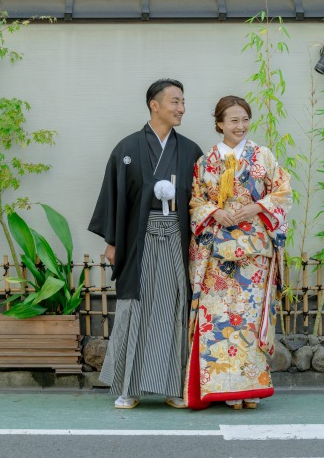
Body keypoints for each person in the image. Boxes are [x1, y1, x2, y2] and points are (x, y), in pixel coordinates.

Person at [89, 79, 203, 409]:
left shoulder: (191, 151)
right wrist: (112, 242)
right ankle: (130, 387)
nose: (181, 108)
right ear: (155, 105)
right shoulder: (126, 150)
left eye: (183, 102)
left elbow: (201, 202)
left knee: (174, 308)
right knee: (134, 309)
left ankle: (173, 387)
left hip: (176, 239)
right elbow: (114, 198)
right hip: (139, 241)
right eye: (175, 102)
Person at [183, 95, 292, 410]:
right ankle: (221, 388)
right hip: (217, 255)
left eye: (244, 119)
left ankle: (248, 388)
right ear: (219, 124)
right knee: (217, 320)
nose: (240, 126)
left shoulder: (264, 157)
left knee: (246, 321)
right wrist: (213, 213)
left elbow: (283, 192)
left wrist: (256, 207)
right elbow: (195, 199)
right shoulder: (206, 162)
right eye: (233, 120)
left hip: (254, 253)